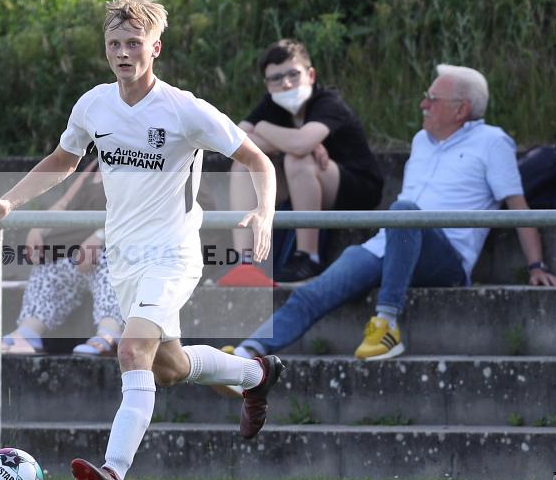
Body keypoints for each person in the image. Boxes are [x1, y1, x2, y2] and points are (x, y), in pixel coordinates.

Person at [0, 0, 282, 480]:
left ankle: (113, 473)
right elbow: (62, 160)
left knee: (131, 350)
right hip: (124, 261)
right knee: (169, 367)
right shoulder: (94, 104)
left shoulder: (185, 109)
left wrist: (263, 211)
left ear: (155, 47)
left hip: (173, 254)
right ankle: (255, 374)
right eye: (115, 43)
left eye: (134, 42)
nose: (123, 52)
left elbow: (258, 160)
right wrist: (7, 201)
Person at [231, 64, 556, 363]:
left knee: (403, 214)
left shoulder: (492, 142)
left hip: (447, 258)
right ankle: (248, 353)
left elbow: (517, 205)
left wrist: (535, 265)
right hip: (388, 245)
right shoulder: (421, 140)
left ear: (461, 110)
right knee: (317, 290)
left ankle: (386, 323)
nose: (423, 105)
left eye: (432, 99)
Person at [224, 39, 383, 284]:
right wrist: (292, 140)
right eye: (276, 79)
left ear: (310, 75)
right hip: (305, 183)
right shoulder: (272, 104)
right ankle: (244, 263)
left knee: (298, 159)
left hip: (356, 188)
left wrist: (266, 129)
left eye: (293, 74)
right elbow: (235, 141)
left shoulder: (328, 102)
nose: (285, 83)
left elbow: (299, 146)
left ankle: (309, 256)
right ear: (267, 85)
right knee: (244, 165)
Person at [2, 160, 124, 356]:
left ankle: (110, 333)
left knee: (111, 263)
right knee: (48, 265)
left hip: (110, 249)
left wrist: (100, 235)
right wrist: (38, 226)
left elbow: (135, 210)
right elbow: (64, 204)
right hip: (74, 251)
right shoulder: (94, 166)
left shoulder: (136, 166)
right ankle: (28, 332)